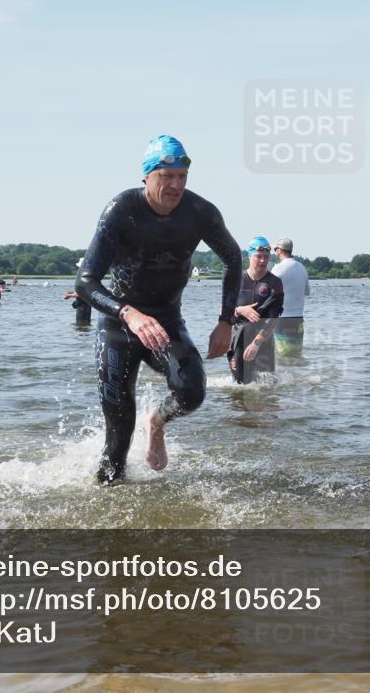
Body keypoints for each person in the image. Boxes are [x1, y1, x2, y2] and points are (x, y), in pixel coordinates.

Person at [75, 134, 242, 484]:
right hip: (119, 326)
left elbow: (232, 259)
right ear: (147, 177)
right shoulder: (121, 212)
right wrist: (129, 314)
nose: (176, 184)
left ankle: (157, 423)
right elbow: (85, 282)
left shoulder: (200, 213)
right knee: (118, 438)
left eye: (182, 176)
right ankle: (108, 515)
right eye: (167, 176)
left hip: (166, 320)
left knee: (192, 391)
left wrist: (225, 321)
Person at [229, 237, 284, 384]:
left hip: (263, 340)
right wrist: (240, 310)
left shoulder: (275, 283)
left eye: (266, 257)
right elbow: (223, 312)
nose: (262, 261)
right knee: (240, 386)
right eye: (258, 257)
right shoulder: (236, 280)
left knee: (266, 388)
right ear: (249, 256)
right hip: (239, 339)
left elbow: (272, 319)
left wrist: (256, 343)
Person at [271, 237, 310, 357]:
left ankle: (284, 376)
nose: (275, 251)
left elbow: (268, 291)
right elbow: (307, 292)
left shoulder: (278, 268)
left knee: (282, 354)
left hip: (282, 319)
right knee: (295, 354)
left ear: (280, 250)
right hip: (298, 319)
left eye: (275, 249)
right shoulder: (302, 268)